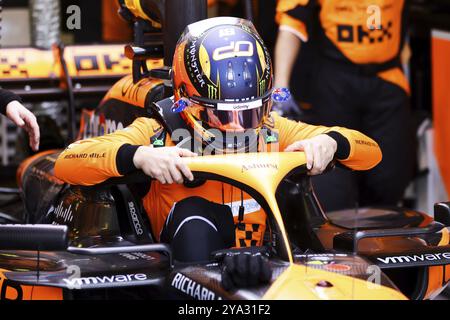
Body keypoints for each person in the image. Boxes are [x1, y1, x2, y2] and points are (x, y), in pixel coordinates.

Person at [54, 17, 381, 289]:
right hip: (174, 277)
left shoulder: (274, 129)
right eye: (222, 115)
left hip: (262, 269)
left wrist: (331, 143)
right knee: (194, 216)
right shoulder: (159, 132)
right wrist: (139, 157)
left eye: (249, 113)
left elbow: (371, 152)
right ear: (185, 101)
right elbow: (67, 162)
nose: (238, 128)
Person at [273, 0, 414, 211]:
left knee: (390, 177)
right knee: (334, 175)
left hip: (388, 79)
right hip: (336, 81)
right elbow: (290, 25)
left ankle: (382, 236)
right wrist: (280, 93)